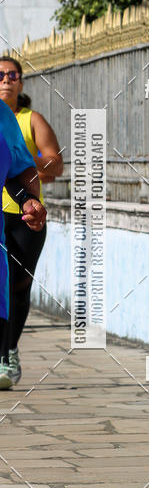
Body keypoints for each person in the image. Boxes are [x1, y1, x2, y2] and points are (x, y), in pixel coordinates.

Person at [0, 57, 61, 387]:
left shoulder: (24, 119)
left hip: (22, 217)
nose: (7, 80)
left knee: (17, 287)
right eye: (1, 75)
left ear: (21, 83)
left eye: (13, 75)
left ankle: (8, 351)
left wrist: (29, 190)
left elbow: (53, 162)